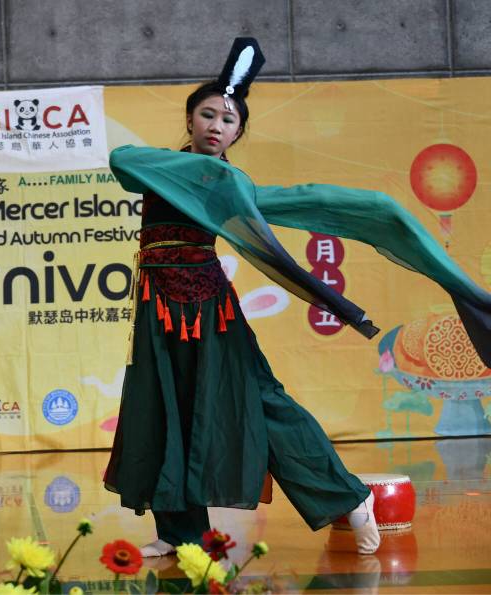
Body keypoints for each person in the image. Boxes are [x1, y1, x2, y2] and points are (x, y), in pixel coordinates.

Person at [105, 38, 390, 557]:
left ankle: (350, 496)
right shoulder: (161, 167)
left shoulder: (232, 182)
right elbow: (120, 159)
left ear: (239, 132)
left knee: (264, 405)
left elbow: (266, 241)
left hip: (210, 311)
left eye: (229, 120)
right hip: (157, 308)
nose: (216, 125)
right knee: (167, 408)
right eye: (207, 114)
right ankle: (179, 531)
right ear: (189, 119)